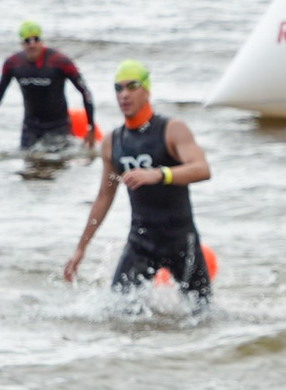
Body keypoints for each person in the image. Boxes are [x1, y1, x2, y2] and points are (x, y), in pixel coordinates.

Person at [62, 61, 213, 300]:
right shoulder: (113, 142)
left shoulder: (171, 129)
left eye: (132, 86)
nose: (124, 94)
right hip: (141, 242)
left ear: (146, 90)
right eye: (118, 89)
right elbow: (104, 196)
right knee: (116, 312)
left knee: (203, 315)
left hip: (181, 241)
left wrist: (159, 174)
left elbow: (202, 169)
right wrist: (81, 247)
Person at [0, 22, 96, 152]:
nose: (32, 44)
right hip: (30, 127)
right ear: (22, 44)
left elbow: (85, 92)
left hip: (58, 126)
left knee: (57, 167)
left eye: (36, 39)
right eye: (27, 41)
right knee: (28, 167)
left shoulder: (60, 61)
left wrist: (90, 127)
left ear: (42, 41)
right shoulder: (13, 63)